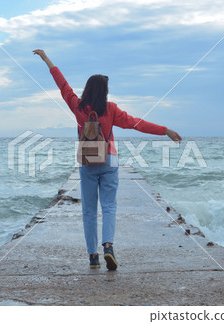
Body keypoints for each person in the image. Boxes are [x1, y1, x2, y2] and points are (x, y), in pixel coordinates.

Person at [33, 49, 182, 270]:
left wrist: (47, 61)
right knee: (110, 207)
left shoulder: (78, 107)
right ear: (104, 91)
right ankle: (108, 247)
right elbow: (137, 123)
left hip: (87, 163)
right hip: (109, 160)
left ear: (87, 89)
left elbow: (63, 87)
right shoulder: (110, 109)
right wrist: (165, 130)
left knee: (89, 210)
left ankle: (93, 256)